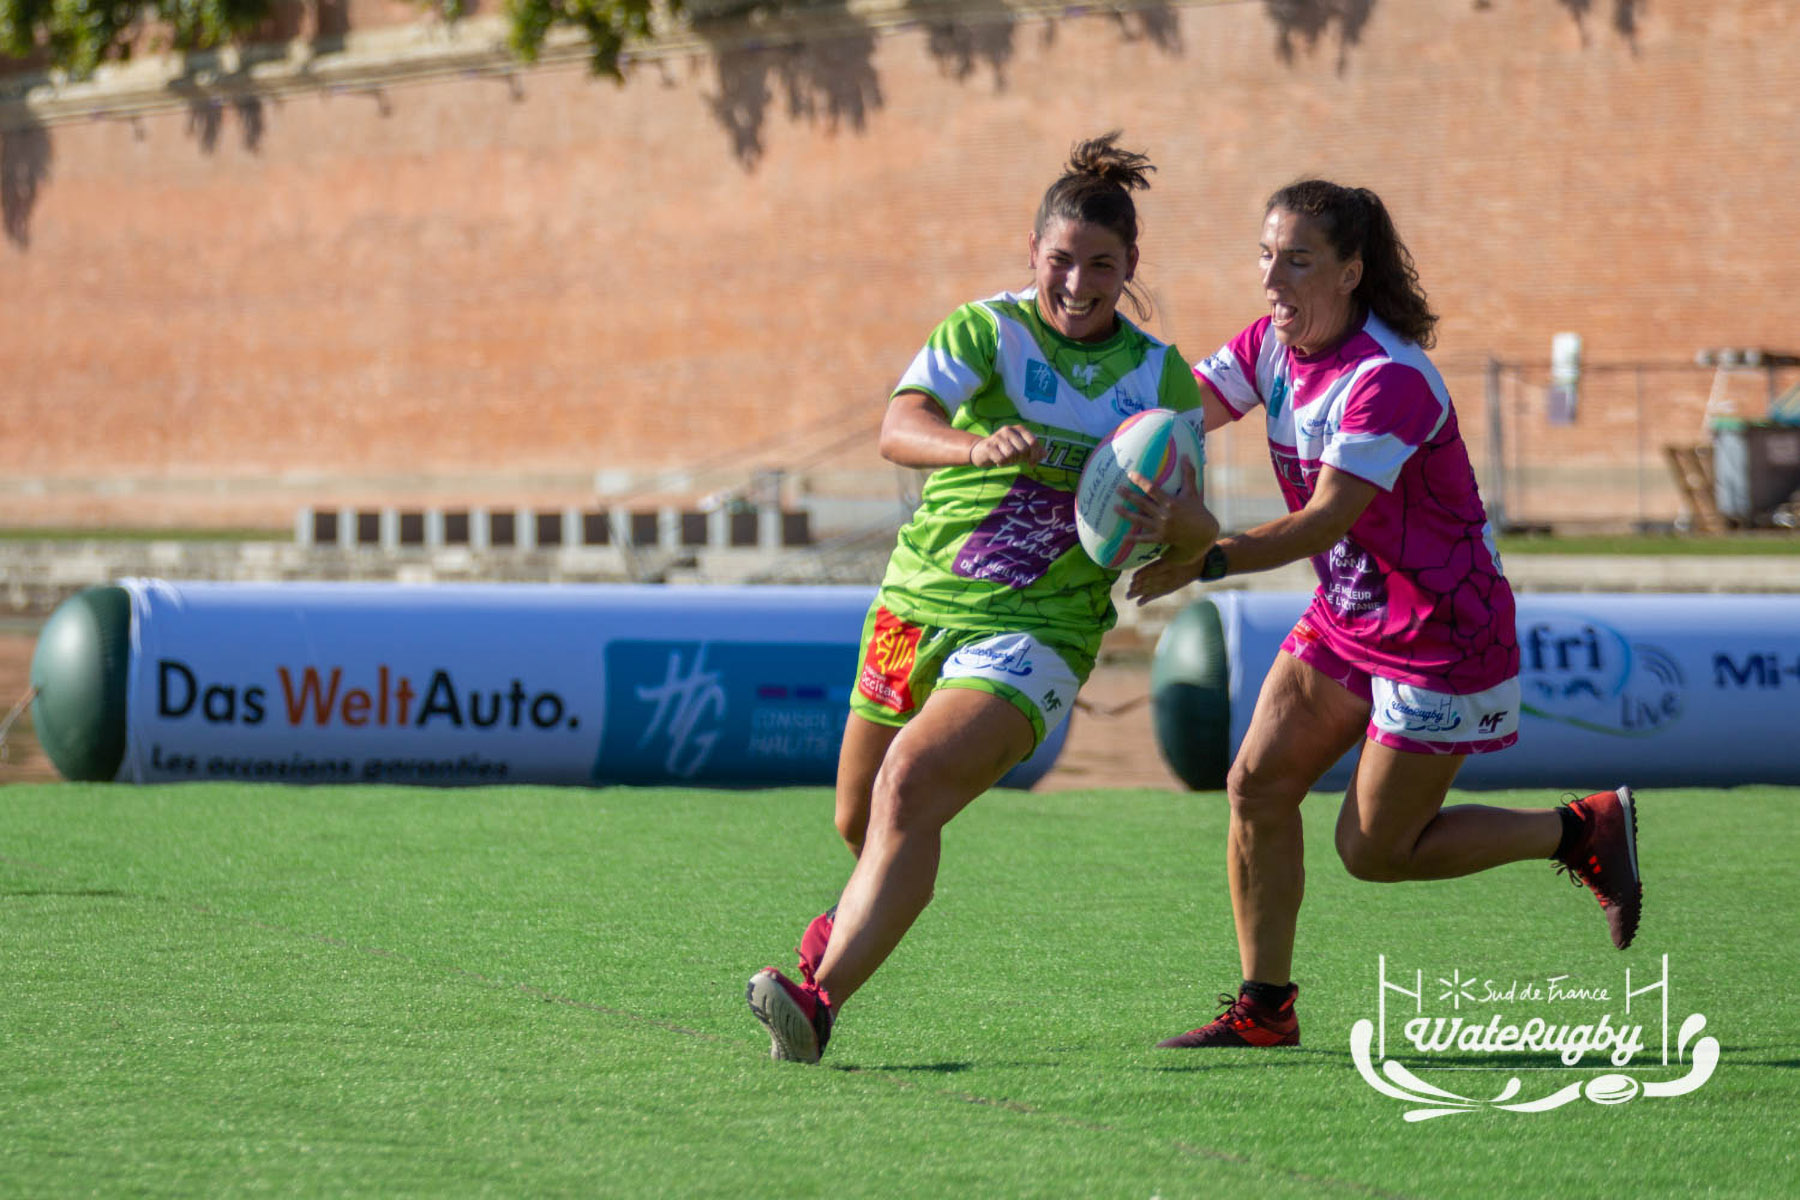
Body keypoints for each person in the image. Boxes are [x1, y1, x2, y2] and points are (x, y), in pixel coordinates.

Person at [1121, 179, 1642, 1049]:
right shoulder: (1270, 347)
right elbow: (1177, 418)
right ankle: (1264, 1010)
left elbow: (1325, 518)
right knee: (1255, 786)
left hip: (1442, 632)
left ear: (1351, 271)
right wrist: (1100, 459)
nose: (1270, 280)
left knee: (1373, 852)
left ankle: (1578, 830)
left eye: (1297, 260)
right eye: (1265, 256)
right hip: (1350, 613)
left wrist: (1205, 556)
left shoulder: (1386, 379)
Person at [745, 132, 1214, 1064]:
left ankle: (819, 1001)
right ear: (1032, 251)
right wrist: (976, 445)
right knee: (857, 819)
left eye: (1102, 267)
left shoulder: (1156, 376)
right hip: (916, 602)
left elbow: (1199, 516)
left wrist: (1178, 533)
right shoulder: (983, 331)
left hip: (1039, 629)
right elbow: (898, 426)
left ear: (1132, 269)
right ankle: (836, 936)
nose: (1079, 284)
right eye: (1062, 261)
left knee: (909, 787)